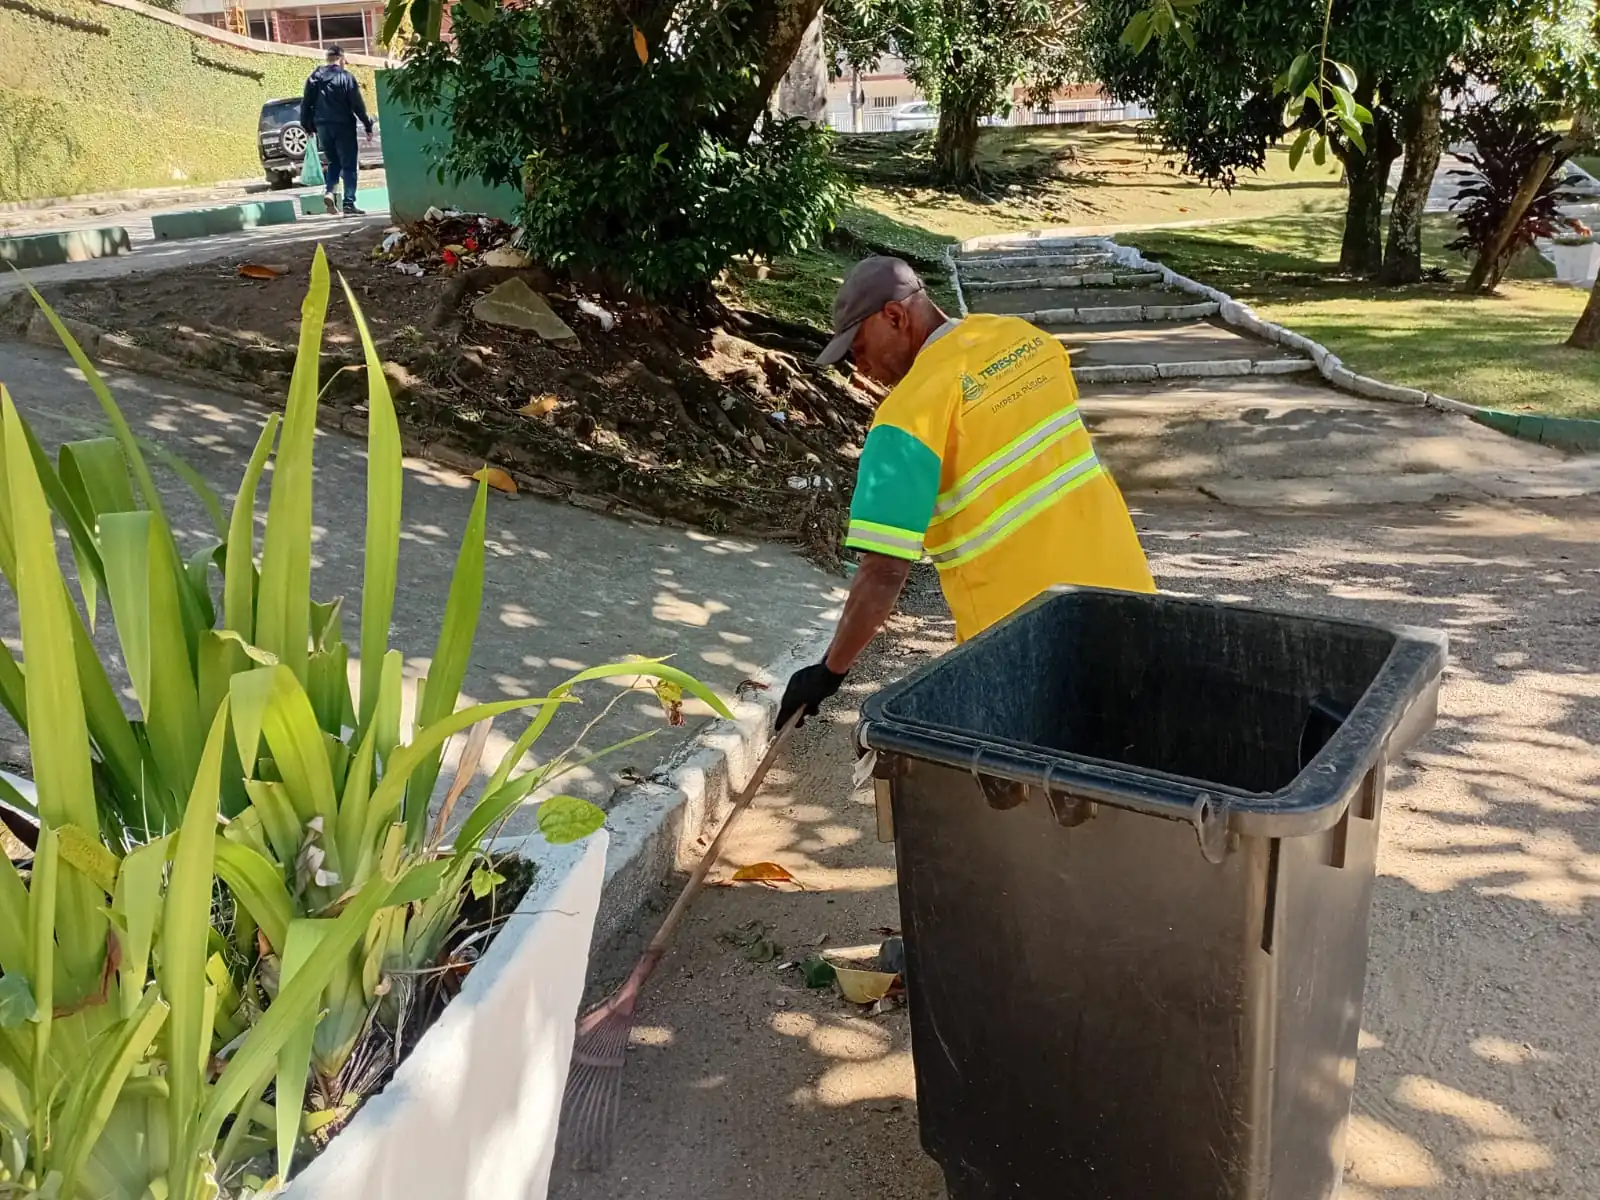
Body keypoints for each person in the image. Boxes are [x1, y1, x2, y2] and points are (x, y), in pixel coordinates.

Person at [777, 256, 1156, 729]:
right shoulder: (1027, 341)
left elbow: (883, 571)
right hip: (1131, 603)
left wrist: (829, 672)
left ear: (894, 316)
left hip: (1022, 649)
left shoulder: (906, 418)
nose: (861, 368)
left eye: (859, 348)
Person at [300, 45, 375, 217]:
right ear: (341, 59)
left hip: (322, 127)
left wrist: (307, 126)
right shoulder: (346, 77)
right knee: (349, 164)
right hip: (343, 126)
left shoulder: (314, 78)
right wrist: (367, 124)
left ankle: (330, 192)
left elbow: (306, 103)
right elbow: (357, 104)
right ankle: (348, 203)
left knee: (333, 161)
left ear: (327, 59)